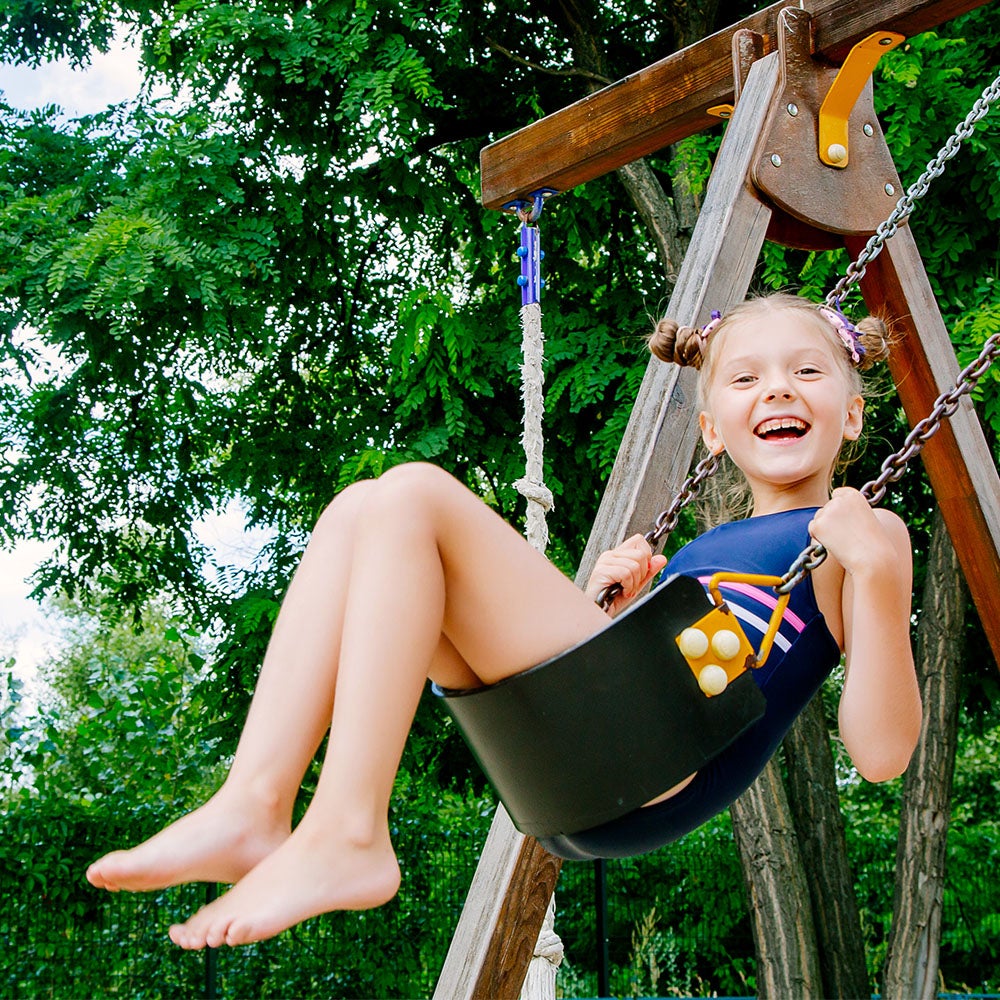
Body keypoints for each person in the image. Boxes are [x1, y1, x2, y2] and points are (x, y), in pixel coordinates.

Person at [85, 292, 922, 949]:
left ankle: (346, 829)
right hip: (581, 759)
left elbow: (882, 756)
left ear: (851, 414)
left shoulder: (863, 531)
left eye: (808, 373)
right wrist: (621, 616)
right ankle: (254, 804)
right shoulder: (722, 545)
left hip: (661, 760)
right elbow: (725, 663)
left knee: (412, 493)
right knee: (358, 512)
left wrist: (879, 574)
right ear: (712, 431)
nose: (777, 388)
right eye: (746, 379)